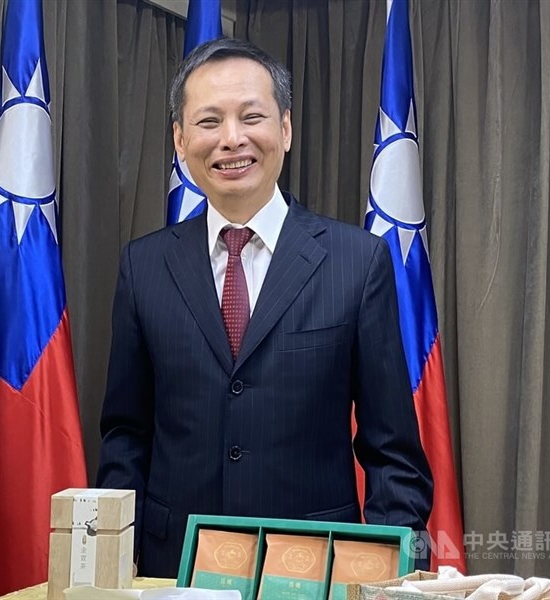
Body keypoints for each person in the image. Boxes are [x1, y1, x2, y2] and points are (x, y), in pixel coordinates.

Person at [96, 37, 433, 578]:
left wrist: (393, 577)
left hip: (311, 569)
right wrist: (115, 562)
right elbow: (125, 436)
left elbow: (391, 450)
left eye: (251, 116)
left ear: (285, 128)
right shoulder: (144, 267)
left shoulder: (356, 262)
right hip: (170, 569)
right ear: (180, 140)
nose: (232, 139)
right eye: (208, 122)